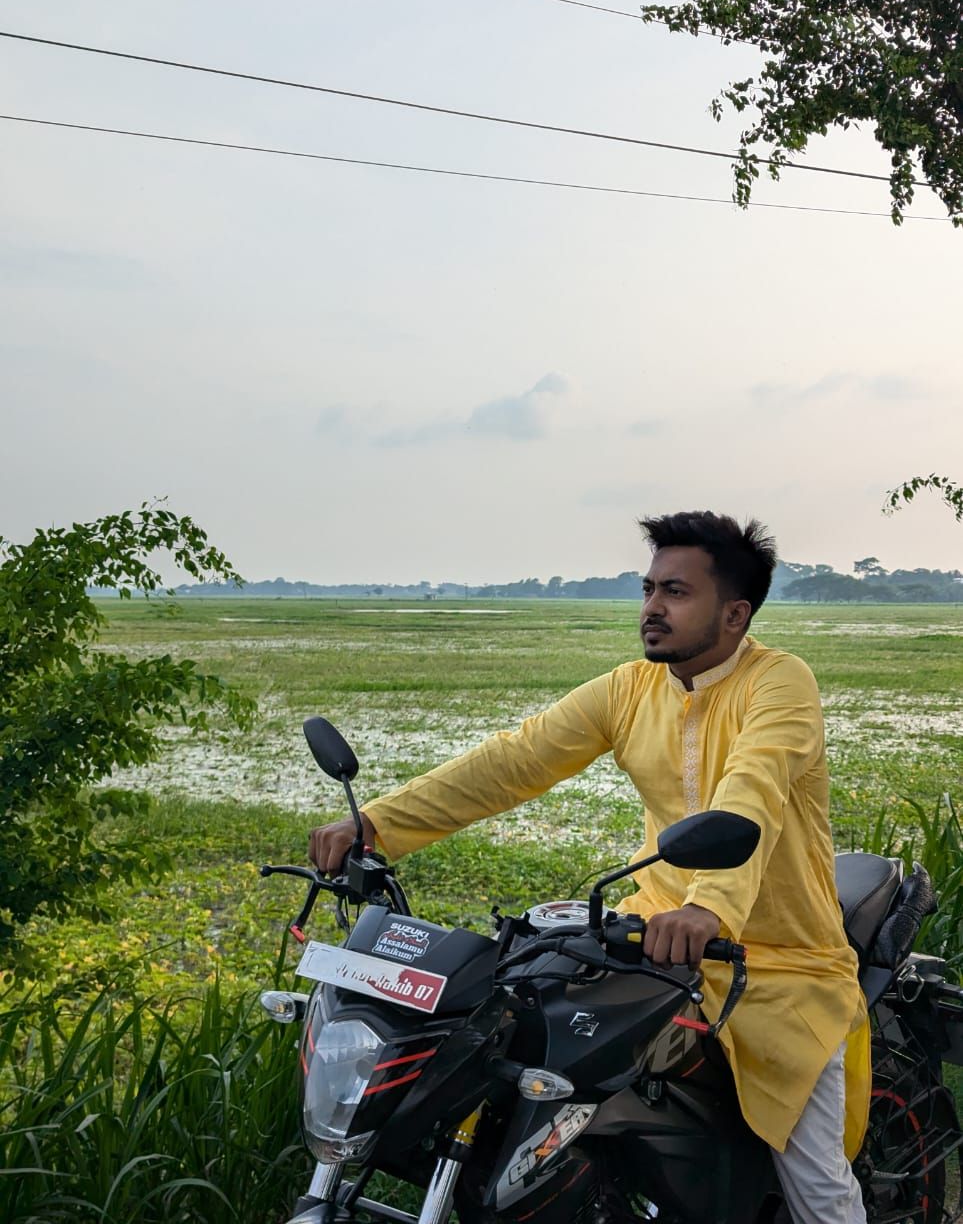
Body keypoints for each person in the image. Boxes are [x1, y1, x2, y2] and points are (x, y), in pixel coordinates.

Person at [310, 511, 869, 1224]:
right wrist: (377, 823)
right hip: (652, 937)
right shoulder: (630, 689)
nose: (652, 608)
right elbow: (514, 760)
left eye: (675, 592)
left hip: (778, 960)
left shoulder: (779, 682)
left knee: (815, 1184)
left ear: (734, 614)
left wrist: (709, 908)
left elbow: (751, 788)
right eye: (648, 589)